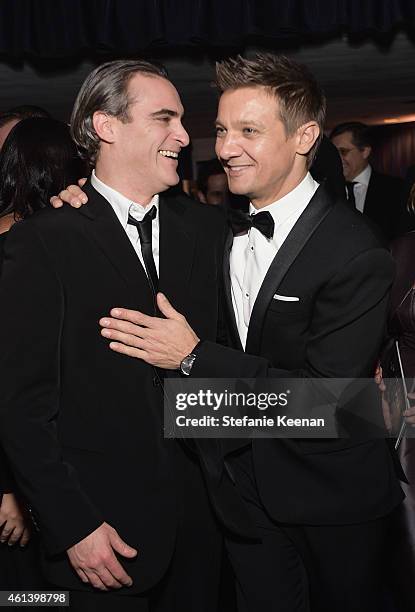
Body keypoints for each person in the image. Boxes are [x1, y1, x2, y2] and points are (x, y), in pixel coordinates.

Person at [76, 54, 403, 612]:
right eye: (223, 130)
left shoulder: (356, 249)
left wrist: (195, 359)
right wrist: (81, 198)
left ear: (304, 137)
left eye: (249, 131)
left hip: (332, 501)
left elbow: (329, 405)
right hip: (241, 504)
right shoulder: (214, 230)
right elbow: (128, 205)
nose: (225, 148)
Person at [0, 60, 224, 611]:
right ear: (106, 125)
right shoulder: (43, 241)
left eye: (182, 120)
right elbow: (21, 408)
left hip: (206, 537)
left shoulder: (211, 230)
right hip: (98, 541)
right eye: (164, 119)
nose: (182, 136)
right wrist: (72, 525)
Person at [0, 117, 84, 589]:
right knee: (26, 594)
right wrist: (8, 487)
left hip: (52, 463)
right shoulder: (31, 248)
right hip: (24, 468)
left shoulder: (64, 237)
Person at [330, 121, 405, 241]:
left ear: (365, 151)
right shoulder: (328, 191)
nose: (337, 159)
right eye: (334, 152)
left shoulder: (395, 189)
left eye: (343, 152)